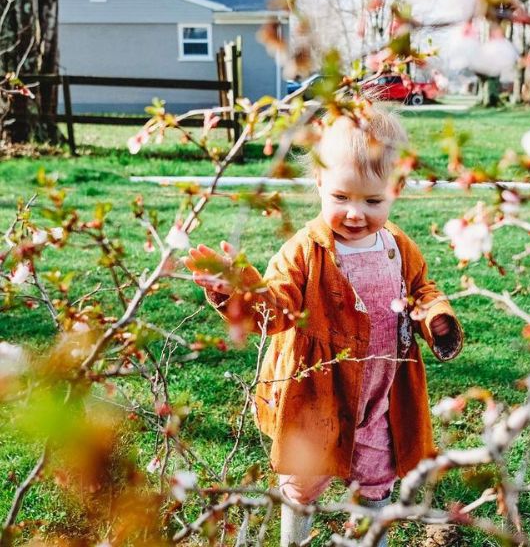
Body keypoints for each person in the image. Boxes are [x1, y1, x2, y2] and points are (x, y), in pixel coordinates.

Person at [184, 107, 463, 546]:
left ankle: (371, 536)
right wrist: (241, 293)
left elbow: (420, 288)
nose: (355, 213)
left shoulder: (398, 246)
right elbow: (275, 308)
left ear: (396, 190)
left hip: (382, 394)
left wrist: (435, 316)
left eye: (372, 201)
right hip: (317, 393)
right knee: (304, 480)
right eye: (340, 197)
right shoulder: (303, 253)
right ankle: (293, 537)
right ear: (318, 184)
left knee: (378, 477)